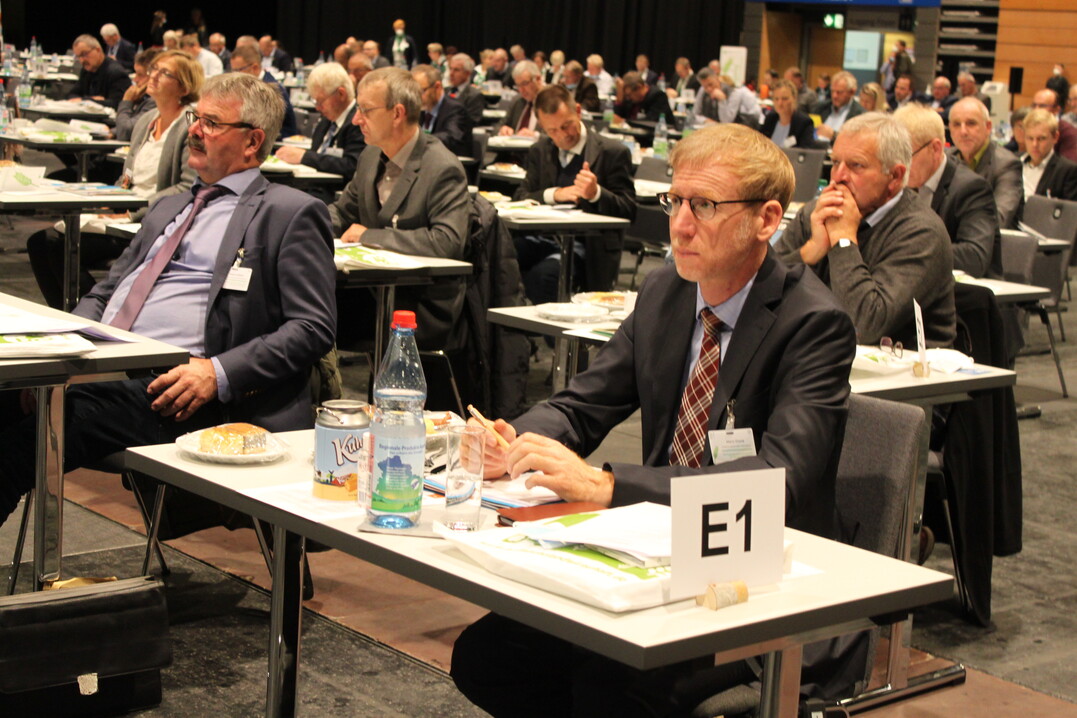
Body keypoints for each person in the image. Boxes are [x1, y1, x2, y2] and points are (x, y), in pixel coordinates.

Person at [451, 123, 860, 715]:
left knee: (610, 688)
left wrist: (611, 486)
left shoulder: (812, 323)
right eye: (676, 201)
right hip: (651, 549)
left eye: (707, 206)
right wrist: (518, 440)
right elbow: (588, 401)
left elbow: (779, 484)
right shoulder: (667, 288)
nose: (681, 224)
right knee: (488, 657)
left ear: (767, 220)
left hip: (751, 574)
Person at [0, 72, 337, 527]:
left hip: (180, 388)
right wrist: (60, 355)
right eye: (196, 117)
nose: (194, 129)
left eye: (211, 123)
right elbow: (105, 293)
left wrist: (216, 373)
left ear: (253, 141)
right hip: (103, 366)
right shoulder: (168, 205)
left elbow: (312, 328)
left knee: (32, 438)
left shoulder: (288, 212)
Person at [28, 49, 205, 310]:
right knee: (42, 241)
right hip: (123, 213)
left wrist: (131, 213)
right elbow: (128, 177)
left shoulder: (188, 125)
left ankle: (97, 312)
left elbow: (186, 188)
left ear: (183, 86)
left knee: (54, 244)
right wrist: (107, 199)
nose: (152, 76)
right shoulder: (147, 120)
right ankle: (78, 313)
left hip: (153, 223)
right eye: (153, 69)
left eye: (164, 72)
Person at [776, 112, 956, 348]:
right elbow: (758, 292)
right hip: (817, 356)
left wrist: (843, 241)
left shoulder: (922, 231)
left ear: (895, 176)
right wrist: (808, 252)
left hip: (904, 375)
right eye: (835, 162)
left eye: (856, 165)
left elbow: (865, 325)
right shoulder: (817, 213)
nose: (838, 177)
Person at [328, 67, 471, 350]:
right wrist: (301, 228)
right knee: (300, 305)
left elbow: (447, 241)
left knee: (313, 319)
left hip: (420, 302)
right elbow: (343, 212)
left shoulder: (442, 167)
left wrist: (369, 235)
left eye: (366, 110)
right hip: (371, 290)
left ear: (397, 114)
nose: (356, 120)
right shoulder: (370, 156)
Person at [513, 85, 636, 303]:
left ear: (578, 111)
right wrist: (556, 194)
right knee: (498, 259)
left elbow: (629, 210)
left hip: (586, 246)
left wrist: (596, 193)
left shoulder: (612, 152)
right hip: (542, 236)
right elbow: (521, 196)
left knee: (544, 277)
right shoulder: (540, 150)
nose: (561, 136)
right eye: (552, 131)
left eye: (566, 125)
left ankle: (553, 337)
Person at [894, 104, 1002, 278]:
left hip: (967, 296)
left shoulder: (971, 188)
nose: (899, 166)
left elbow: (974, 257)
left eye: (906, 156)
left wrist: (910, 245)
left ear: (936, 149)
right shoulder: (900, 182)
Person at [274, 62, 365, 179]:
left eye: (321, 101)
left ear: (341, 94)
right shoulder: (326, 121)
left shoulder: (358, 123)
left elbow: (353, 166)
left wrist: (304, 157)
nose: (317, 107)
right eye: (315, 102)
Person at [947, 97, 1024, 229]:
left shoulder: (1007, 165)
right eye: (957, 124)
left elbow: (999, 219)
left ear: (988, 127)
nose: (963, 131)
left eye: (971, 123)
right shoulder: (946, 158)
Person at [231, 44, 298, 137]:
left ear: (255, 67)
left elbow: (264, 126)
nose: (234, 75)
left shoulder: (272, 89)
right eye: (232, 70)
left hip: (280, 142)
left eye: (238, 70)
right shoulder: (252, 85)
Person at [412, 63, 473, 157]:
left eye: (421, 91)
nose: (416, 97)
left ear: (437, 87)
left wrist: (416, 140)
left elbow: (450, 138)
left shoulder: (455, 109)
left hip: (450, 165)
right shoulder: (420, 109)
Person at [1020, 109, 1077, 203]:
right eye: (1030, 138)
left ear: (1055, 137)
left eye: (1041, 139)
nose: (1034, 144)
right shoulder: (1013, 162)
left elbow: (1069, 213)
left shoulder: (1067, 171)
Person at [68, 34, 132, 109]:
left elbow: (117, 104)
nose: (82, 60)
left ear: (98, 50)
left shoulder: (116, 73)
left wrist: (85, 100)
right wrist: (91, 99)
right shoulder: (86, 70)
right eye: (78, 56)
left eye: (84, 54)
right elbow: (71, 95)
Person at [115, 48, 161, 141]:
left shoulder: (155, 102)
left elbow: (125, 132)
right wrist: (112, 132)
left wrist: (127, 101)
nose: (135, 79)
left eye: (140, 74)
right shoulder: (144, 98)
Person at [759, 79, 816, 148]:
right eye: (776, 99)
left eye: (784, 99)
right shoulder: (770, 119)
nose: (779, 103)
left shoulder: (804, 123)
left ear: (794, 98)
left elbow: (806, 152)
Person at [695, 69, 761, 126]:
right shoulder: (702, 90)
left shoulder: (734, 93)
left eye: (710, 84)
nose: (708, 89)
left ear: (717, 79)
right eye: (705, 87)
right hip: (709, 129)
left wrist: (722, 100)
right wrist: (706, 120)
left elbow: (726, 122)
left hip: (732, 132)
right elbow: (696, 114)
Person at [497, 61, 544, 136]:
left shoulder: (552, 101)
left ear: (538, 79)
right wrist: (503, 129)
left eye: (524, 84)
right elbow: (498, 126)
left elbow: (558, 136)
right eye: (518, 85)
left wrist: (535, 135)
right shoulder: (517, 100)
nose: (521, 90)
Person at [814, 71, 862, 143]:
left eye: (839, 92)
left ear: (852, 92)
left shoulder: (859, 114)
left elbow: (856, 142)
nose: (834, 96)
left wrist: (834, 135)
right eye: (832, 91)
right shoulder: (821, 107)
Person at [1031, 88, 1077, 162]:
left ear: (1056, 110)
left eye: (1042, 106)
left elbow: (1069, 166)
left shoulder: (1069, 133)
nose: (1036, 110)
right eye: (1034, 105)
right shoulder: (1029, 126)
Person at [446, 53, 485, 126]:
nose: (451, 73)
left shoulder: (474, 95)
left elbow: (473, 122)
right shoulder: (444, 91)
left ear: (467, 73)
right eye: (450, 68)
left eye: (456, 70)